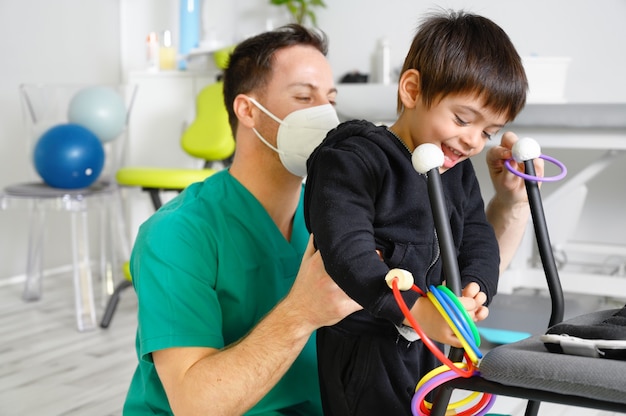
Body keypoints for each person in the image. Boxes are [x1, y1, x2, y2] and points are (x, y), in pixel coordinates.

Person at [122, 23, 540, 415]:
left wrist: (511, 203)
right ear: (247, 112)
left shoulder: (348, 206)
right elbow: (197, 406)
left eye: (332, 99)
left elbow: (453, 274)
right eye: (304, 98)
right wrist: (301, 312)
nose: (325, 115)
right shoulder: (179, 233)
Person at [304, 11, 529, 415]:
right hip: (365, 349)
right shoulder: (352, 158)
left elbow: (477, 235)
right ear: (411, 90)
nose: (474, 141)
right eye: (463, 119)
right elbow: (346, 250)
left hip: (428, 345)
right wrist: (416, 310)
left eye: (488, 132)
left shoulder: (455, 172)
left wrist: (477, 287)